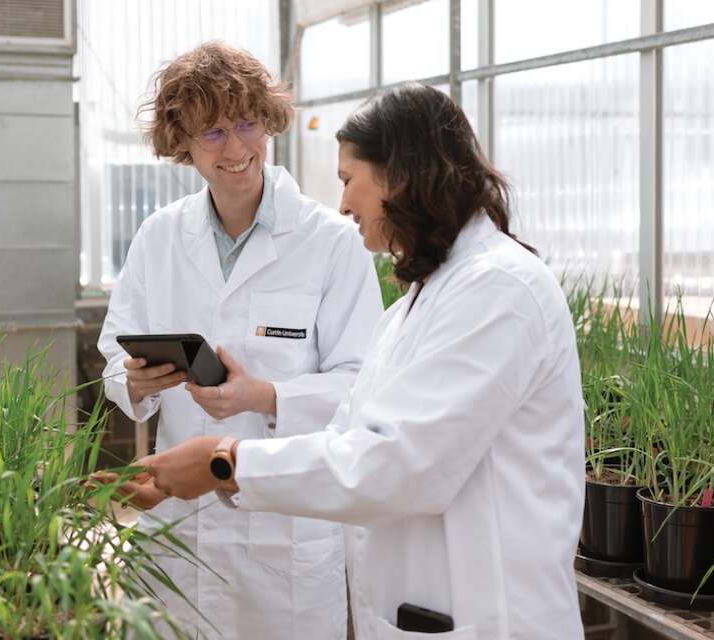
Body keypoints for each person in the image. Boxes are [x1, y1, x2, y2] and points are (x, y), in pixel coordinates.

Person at [130, 83, 587, 639]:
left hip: (491, 616)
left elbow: (397, 465)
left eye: (349, 180)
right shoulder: (418, 307)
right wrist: (180, 477)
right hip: (417, 614)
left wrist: (223, 461)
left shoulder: (499, 290)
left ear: (401, 174)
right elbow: (349, 430)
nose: (343, 204)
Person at [96, 41, 383, 639]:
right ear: (183, 144)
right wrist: (135, 382)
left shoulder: (330, 242)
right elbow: (114, 364)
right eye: (212, 133)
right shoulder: (159, 238)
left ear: (269, 121)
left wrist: (264, 396)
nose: (235, 149)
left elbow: (363, 387)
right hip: (179, 529)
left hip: (285, 541)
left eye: (247, 124)